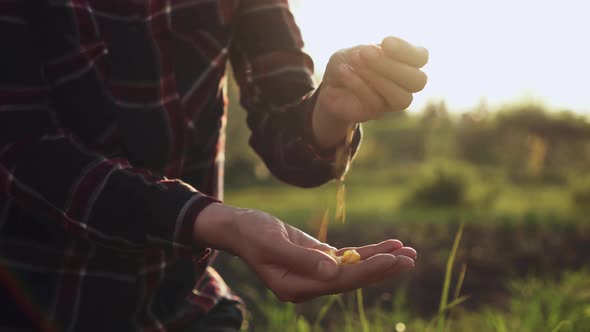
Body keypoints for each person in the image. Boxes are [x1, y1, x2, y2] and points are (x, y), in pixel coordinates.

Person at [0, 1, 428, 331]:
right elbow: (24, 151)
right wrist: (215, 221)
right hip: (36, 301)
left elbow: (284, 126)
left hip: (181, 305)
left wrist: (332, 111)